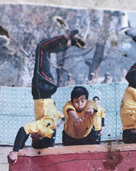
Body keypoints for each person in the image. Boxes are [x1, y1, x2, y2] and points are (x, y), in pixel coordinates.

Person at [8, 31, 82, 163]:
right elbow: (23, 130)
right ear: (39, 138)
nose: (32, 136)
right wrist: (15, 151)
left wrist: (58, 125)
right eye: (33, 138)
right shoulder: (42, 128)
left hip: (49, 89)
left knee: (45, 52)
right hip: (41, 89)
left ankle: (71, 43)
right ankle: (67, 36)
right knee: (41, 47)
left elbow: (62, 116)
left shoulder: (50, 125)